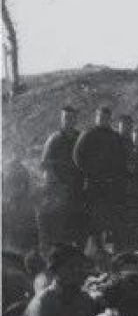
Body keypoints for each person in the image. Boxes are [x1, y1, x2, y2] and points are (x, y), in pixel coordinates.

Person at [73, 106, 128, 253]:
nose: (104, 120)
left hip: (111, 184)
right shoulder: (88, 134)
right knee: (95, 217)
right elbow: (77, 156)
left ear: (110, 120)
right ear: (96, 118)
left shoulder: (114, 137)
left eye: (106, 118)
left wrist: (116, 175)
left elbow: (121, 158)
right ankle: (97, 249)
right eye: (101, 117)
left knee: (111, 216)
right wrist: (91, 172)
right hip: (94, 183)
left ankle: (114, 248)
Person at [38, 105, 87, 250]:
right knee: (59, 222)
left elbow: (87, 160)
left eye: (72, 118)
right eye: (66, 118)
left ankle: (78, 252)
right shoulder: (54, 139)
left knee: (78, 221)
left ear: (76, 119)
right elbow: (44, 164)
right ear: (61, 119)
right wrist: (55, 183)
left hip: (77, 186)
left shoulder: (80, 137)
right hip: (59, 187)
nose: (69, 120)